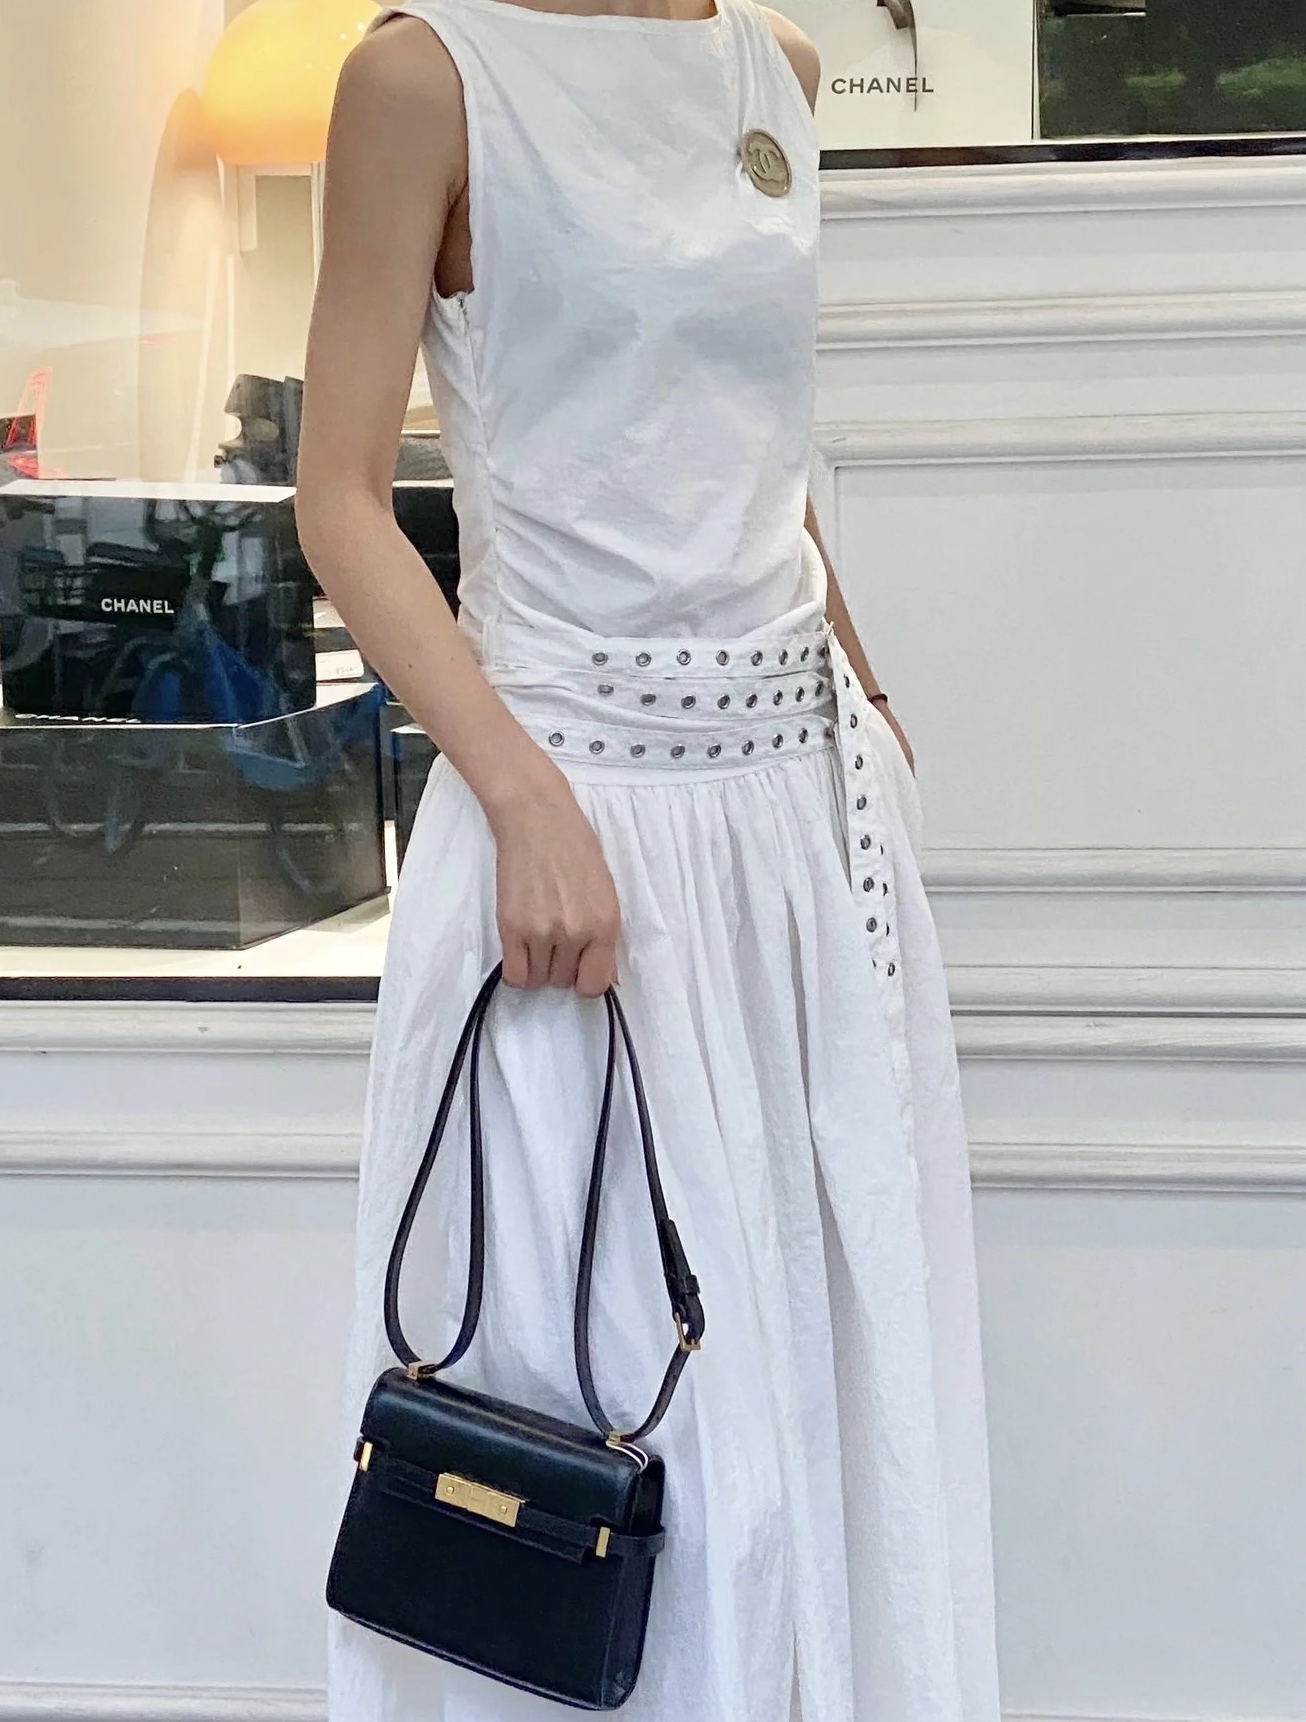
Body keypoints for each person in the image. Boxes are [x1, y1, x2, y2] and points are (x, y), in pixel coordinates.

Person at [296, 0, 1001, 1716]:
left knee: (824, 1404)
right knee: (633, 1437)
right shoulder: (425, 78)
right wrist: (521, 797)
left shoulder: (780, 70)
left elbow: (752, 450)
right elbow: (339, 497)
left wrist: (871, 699)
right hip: (578, 832)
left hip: (799, 833)